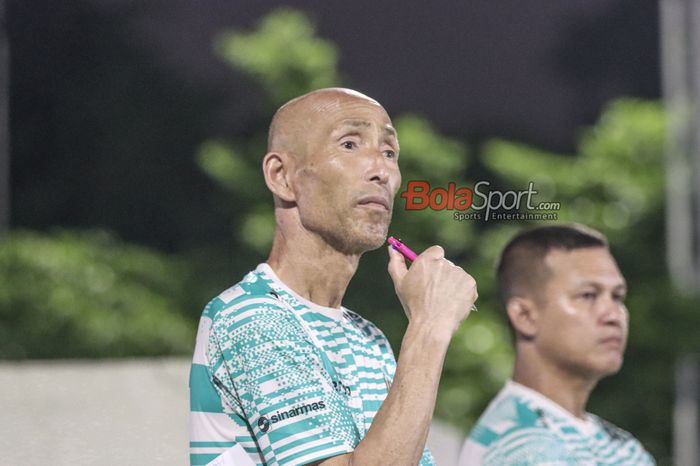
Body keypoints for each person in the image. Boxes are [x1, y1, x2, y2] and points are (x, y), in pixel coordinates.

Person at [189, 88, 478, 466]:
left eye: (390, 152)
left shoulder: (369, 339)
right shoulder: (252, 318)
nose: (382, 170)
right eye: (349, 144)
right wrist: (428, 328)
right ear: (282, 176)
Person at [458, 224, 655, 465]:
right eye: (588, 295)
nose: (613, 314)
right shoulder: (520, 447)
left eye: (617, 296)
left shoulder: (622, 447)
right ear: (525, 316)